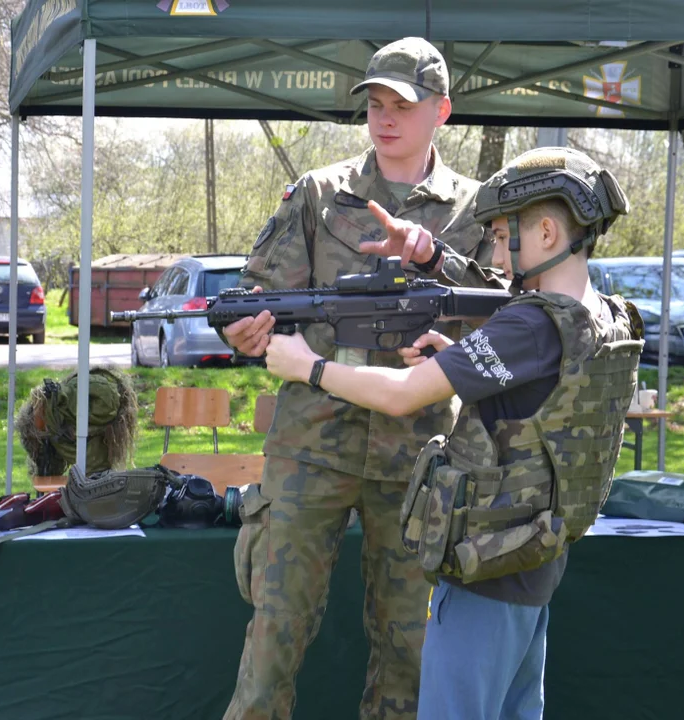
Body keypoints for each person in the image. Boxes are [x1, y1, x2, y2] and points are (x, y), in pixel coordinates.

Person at [264, 146, 643, 720]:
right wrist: (458, 354)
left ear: (544, 231)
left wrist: (305, 366)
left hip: (484, 576)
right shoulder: (601, 314)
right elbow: (536, 396)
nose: (492, 250)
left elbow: (400, 394)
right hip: (533, 564)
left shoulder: (528, 323)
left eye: (497, 235)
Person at [222, 37, 502, 720]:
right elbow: (257, 296)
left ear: (443, 111)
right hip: (312, 447)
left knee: (410, 653)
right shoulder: (321, 194)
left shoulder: (475, 209)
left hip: (419, 456)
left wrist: (435, 256)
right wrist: (245, 333)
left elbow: (505, 311)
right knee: (273, 640)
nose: (384, 118)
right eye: (375, 103)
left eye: (402, 105)